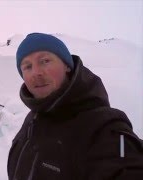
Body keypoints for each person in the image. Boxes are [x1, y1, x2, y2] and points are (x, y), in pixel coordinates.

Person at [7, 33, 143, 180]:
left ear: (67, 65)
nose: (36, 73)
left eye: (45, 61)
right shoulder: (34, 118)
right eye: (27, 66)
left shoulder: (103, 128)